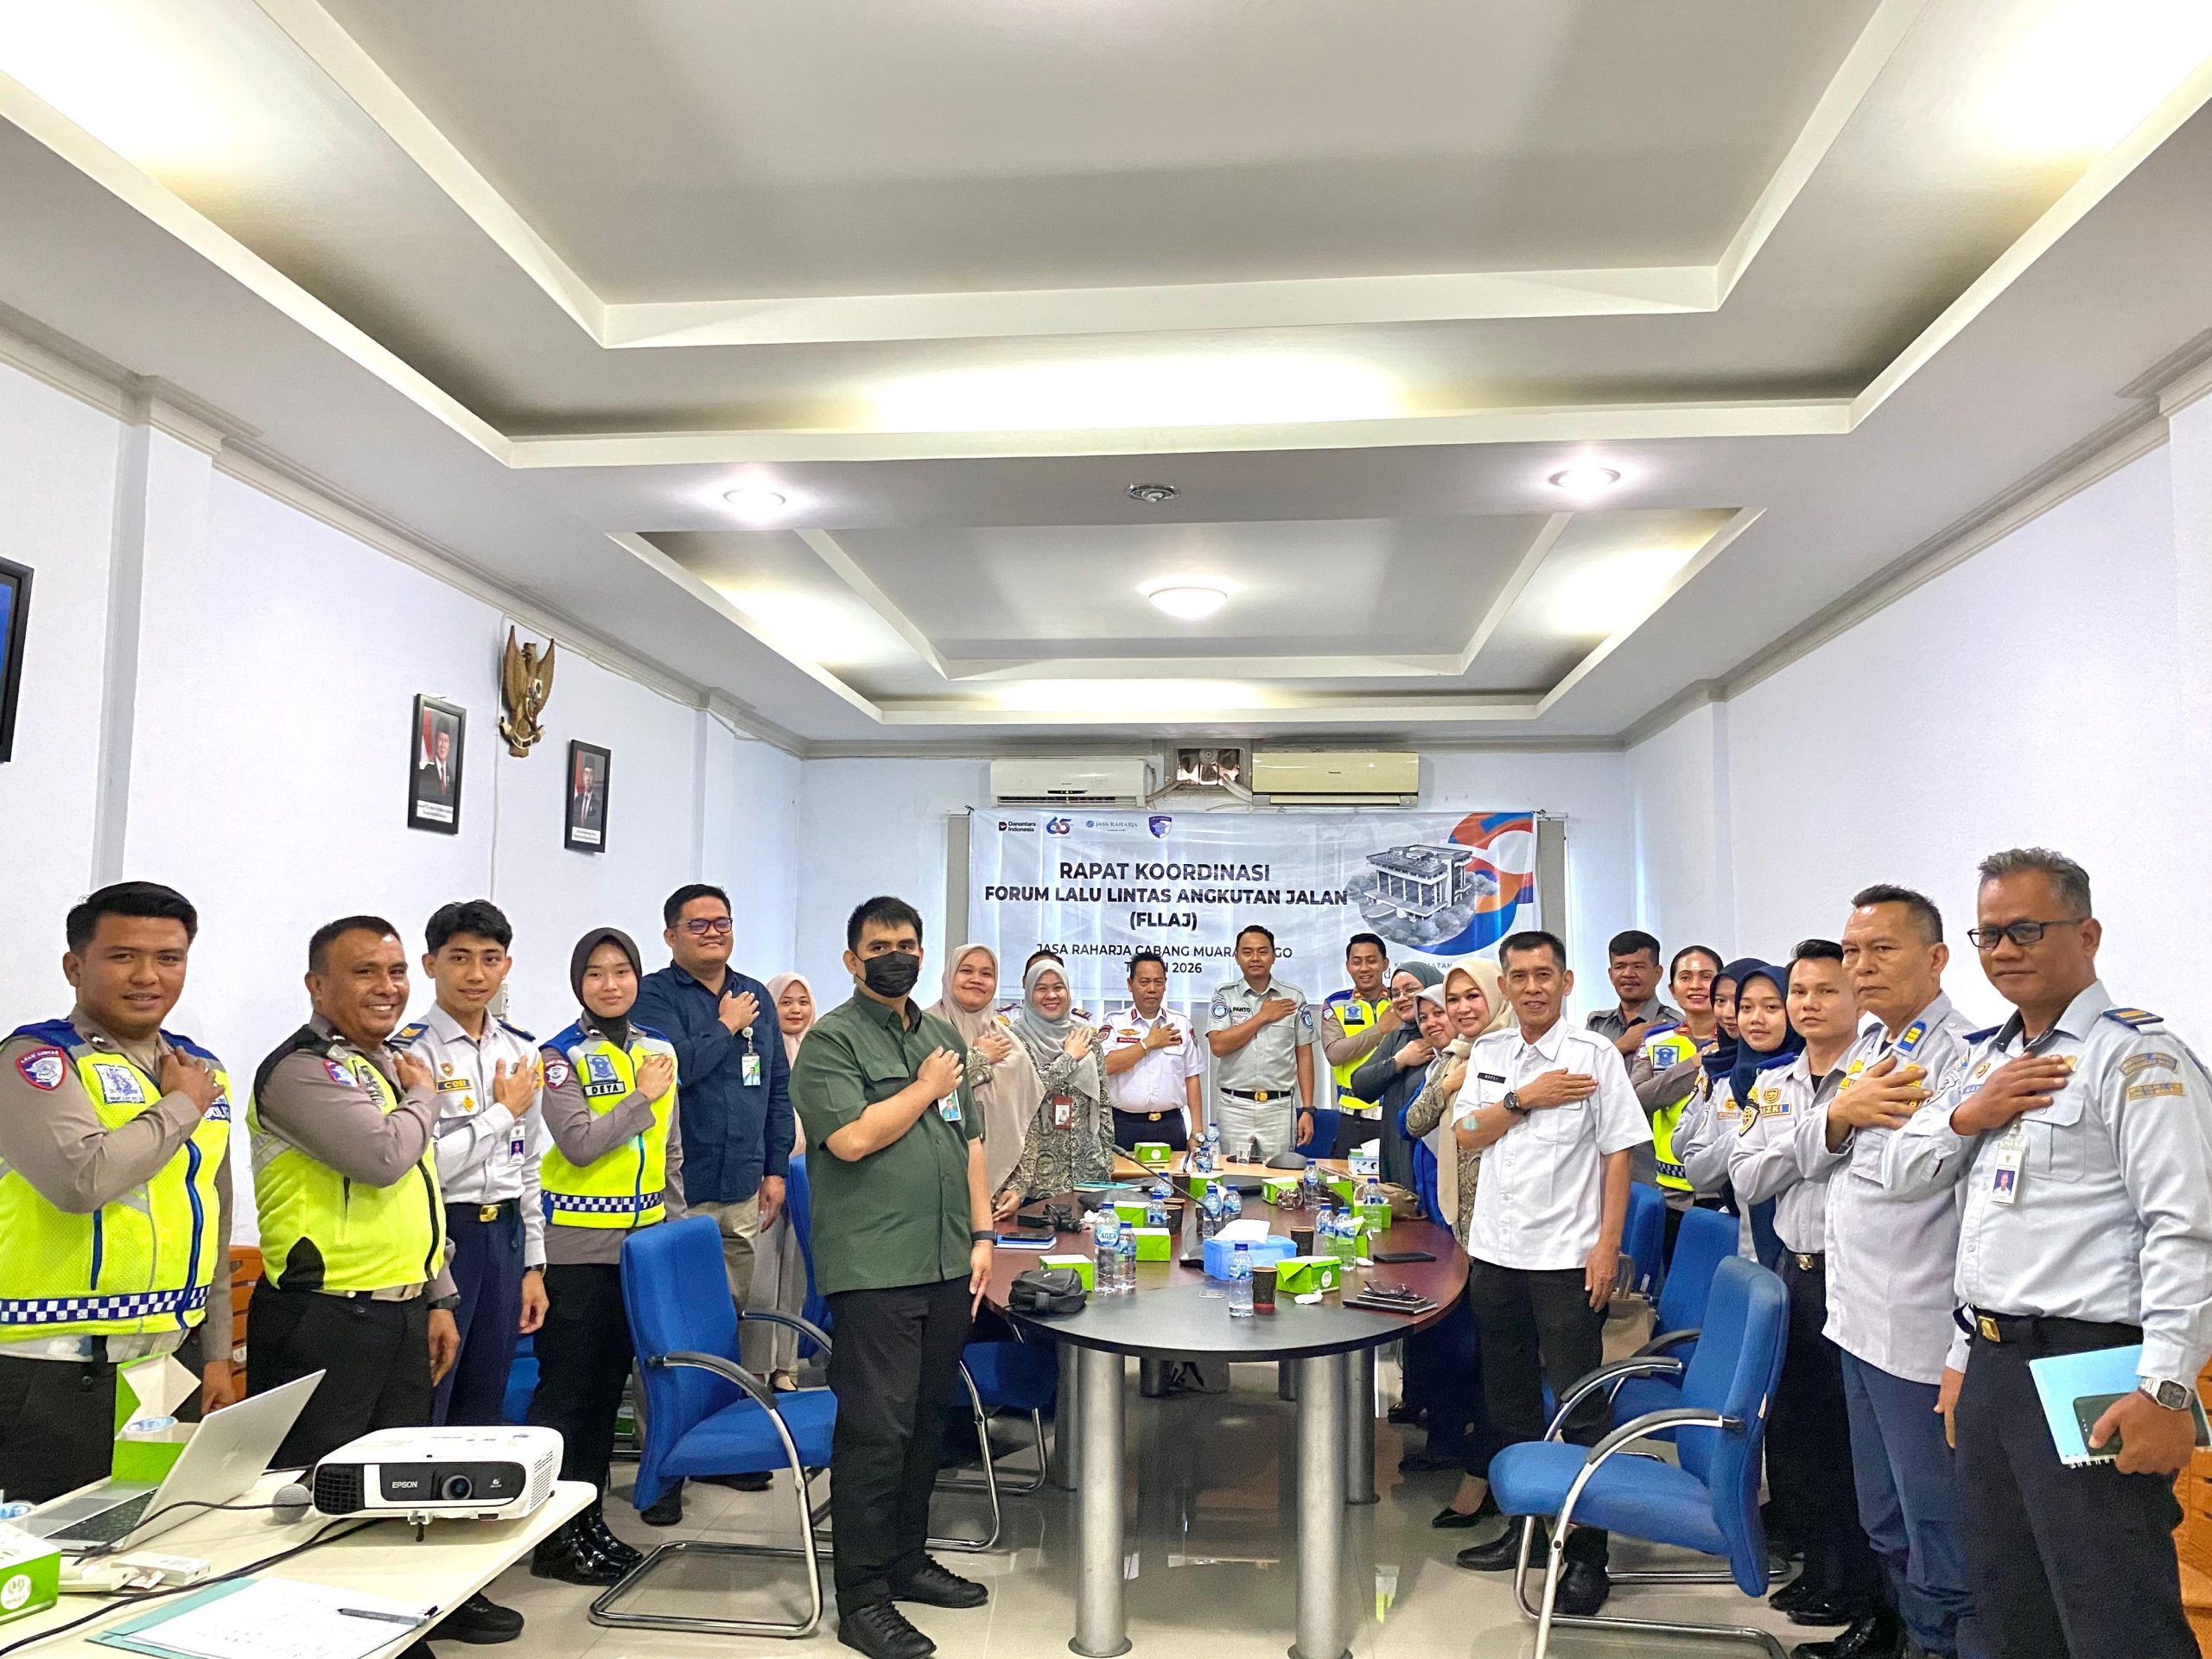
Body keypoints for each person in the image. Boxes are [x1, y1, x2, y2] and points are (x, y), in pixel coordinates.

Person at [1886, 848, 2212, 1659]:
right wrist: (1966, 1115)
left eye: (2027, 930)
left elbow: (2186, 1229)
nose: (2004, 950)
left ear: (2087, 934)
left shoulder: (2136, 1058)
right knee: (2009, 1604)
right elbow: (1912, 1179)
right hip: (1994, 1363)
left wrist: (2167, 1387)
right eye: (1989, 934)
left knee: (2113, 1613)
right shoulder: (1990, 1059)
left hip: (2092, 1365)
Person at [791, 896, 995, 1659]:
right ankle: (863, 1598)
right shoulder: (831, 1041)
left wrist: (983, 1234)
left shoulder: (941, 1037)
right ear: (852, 960)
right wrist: (923, 1087)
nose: (895, 957)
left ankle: (908, 1561)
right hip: (876, 1266)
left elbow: (969, 1143)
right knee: (876, 1434)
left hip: (947, 1260)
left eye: (906, 944)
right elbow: (849, 1140)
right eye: (879, 947)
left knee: (925, 1423)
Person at [1791, 887, 1983, 1659]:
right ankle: (1898, 1635)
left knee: (1936, 1528)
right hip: (1855, 1321)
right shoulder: (1871, 1048)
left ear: (1935, 958)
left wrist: (1963, 1349)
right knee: (1883, 1518)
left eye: (1882, 949)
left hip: (1919, 1337)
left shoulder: (1967, 1058)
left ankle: (1940, 1645)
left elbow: (1968, 1214)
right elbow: (1808, 1158)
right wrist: (1841, 1113)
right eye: (1852, 951)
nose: (1861, 966)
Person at [0, 883, 235, 1505]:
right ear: (75, 967)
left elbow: (212, 1216)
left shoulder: (201, 1070)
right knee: (46, 1550)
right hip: (48, 1371)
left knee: (146, 1537)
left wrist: (216, 1354)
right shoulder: (38, 1060)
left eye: (169, 958)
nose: (148, 976)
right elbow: (81, 1181)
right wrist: (180, 1106)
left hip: (165, 1365)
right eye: (123, 956)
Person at [1449, 931, 1650, 1615]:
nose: (1532, 987)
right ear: (1506, 986)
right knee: (1507, 1403)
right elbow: (1467, 1133)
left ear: (1565, 983)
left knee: (1579, 1406)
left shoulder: (1593, 1056)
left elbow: (1619, 1154)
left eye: (1545, 975)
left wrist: (1608, 1245)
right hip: (1495, 1254)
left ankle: (1590, 1554)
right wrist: (1524, 1098)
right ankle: (1526, 1530)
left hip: (1566, 1259)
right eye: (1520, 977)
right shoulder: (1489, 1053)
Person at [246, 918, 458, 1471]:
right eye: (366, 972)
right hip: (326, 1316)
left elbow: (420, 1190)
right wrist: (424, 1095)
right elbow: (382, 1159)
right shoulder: (300, 1069)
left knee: (395, 1486)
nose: (387, 987)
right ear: (317, 986)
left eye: (397, 972)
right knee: (313, 1488)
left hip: (401, 1311)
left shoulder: (383, 1063)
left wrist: (437, 1296)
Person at [1729, 948, 1885, 1637]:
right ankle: (1824, 1570)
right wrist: (1826, 1130)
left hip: (1854, 1274)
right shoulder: (1773, 1084)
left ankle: (1861, 1587)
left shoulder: (1879, 1076)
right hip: (1795, 1270)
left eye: (1827, 990)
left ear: (1858, 999)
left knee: (1852, 1444)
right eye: (1800, 991)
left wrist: (1792, 1150)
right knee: (1798, 1434)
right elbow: (1746, 1178)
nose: (1808, 1004)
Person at [527, 928, 686, 1585]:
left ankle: (589, 1523)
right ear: (579, 984)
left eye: (622, 971)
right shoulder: (559, 1057)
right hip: (575, 1252)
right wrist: (640, 1096)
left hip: (639, 1250)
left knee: (604, 1397)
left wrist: (673, 1232)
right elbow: (580, 1143)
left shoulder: (658, 1049)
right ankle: (552, 1539)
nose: (610, 984)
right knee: (567, 1398)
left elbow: (669, 1150)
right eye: (595, 973)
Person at [391, 903, 548, 1433]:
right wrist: (502, 1113)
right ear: (430, 964)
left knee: (486, 1396)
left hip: (505, 1235)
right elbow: (422, 1165)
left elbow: (529, 1164)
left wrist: (534, 1264)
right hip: (444, 1234)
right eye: (459, 958)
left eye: (490, 958)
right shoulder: (409, 1054)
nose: (476, 973)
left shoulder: (522, 1050)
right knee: (432, 1391)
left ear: (507, 966)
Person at [633, 885, 791, 1348]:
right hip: (681, 1187)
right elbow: (674, 1071)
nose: (712, 933)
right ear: (670, 936)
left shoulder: (754, 994)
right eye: (697, 925)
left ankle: (720, 1391)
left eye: (722, 923)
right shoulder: (652, 996)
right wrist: (726, 1026)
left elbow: (776, 1087)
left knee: (728, 1313)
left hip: (743, 1184)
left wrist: (776, 1170)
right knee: (678, 1317)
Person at [1402, 961, 1512, 1522]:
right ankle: (1458, 1449)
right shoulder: (1455, 1059)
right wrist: (1447, 1082)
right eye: (1453, 1000)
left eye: (1473, 997)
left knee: (1484, 1352)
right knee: (1452, 1341)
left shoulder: (1516, 1056)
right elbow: (1416, 1122)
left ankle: (1489, 1476)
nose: (1460, 1009)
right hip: (1461, 1224)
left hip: (1507, 1231)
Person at [991, 960, 1113, 1215]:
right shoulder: (1013, 1040)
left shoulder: (1086, 1037)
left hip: (1088, 1171)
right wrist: (1068, 1059)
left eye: (1058, 987)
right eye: (1041, 988)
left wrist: (1107, 1160)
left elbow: (1102, 1103)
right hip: (1036, 1176)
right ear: (1028, 993)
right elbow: (1024, 1096)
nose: (1051, 995)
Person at [1628, 944, 1726, 1249]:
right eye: (1686, 977)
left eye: (1706, 976)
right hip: (1671, 1188)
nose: (1696, 985)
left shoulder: (1741, 1040)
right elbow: (1637, 1099)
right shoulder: (1656, 1040)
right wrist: (1694, 1065)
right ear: (1672, 989)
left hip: (1723, 1189)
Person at [752, 973, 820, 1390]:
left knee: (796, 1279)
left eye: (803, 1001)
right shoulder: (758, 1051)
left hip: (810, 1179)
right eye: (786, 1002)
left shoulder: (821, 1052)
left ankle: (785, 1366)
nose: (796, 1010)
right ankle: (756, 1367)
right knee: (762, 1277)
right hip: (766, 1178)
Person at [1205, 925, 1319, 1160]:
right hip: (1234, 1106)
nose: (1255, 958)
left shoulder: (1293, 997)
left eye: (1262, 951)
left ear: (1274, 956)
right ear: (1236, 957)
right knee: (1233, 1174)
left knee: (1279, 1176)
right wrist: (1263, 1017)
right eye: (1247, 952)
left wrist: (1308, 1109)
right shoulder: (1224, 995)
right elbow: (1218, 1046)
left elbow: (1304, 1054)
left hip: (1279, 1107)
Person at [925, 944, 1031, 1198]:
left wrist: (1018, 1185)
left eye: (986, 974)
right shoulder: (922, 1029)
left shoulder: (1010, 1042)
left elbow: (1029, 1118)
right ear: (950, 975)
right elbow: (924, 1093)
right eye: (966, 971)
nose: (976, 979)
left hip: (999, 1189)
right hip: (932, 1177)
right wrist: (979, 1057)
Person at [1350, 961, 1446, 1193]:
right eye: (1395, 993)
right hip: (1395, 1151)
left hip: (1432, 1156)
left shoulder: (1448, 1037)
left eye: (1410, 990)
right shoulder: (1397, 1038)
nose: (1402, 998)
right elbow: (1360, 1085)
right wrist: (1398, 1061)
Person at [1099, 951, 1205, 1152]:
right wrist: (1148, 1043)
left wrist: (1197, 1132)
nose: (1152, 989)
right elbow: (1105, 1065)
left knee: (1174, 1172)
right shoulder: (1114, 1022)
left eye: (1158, 982)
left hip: (1170, 1124)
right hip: (1124, 1125)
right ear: (1130, 984)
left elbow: (1192, 1077)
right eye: (1144, 982)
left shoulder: (1181, 1024)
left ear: (1165, 985)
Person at [1321, 932, 1397, 1154]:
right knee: (1346, 1176)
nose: (1364, 968)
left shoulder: (1401, 1002)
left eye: (1372, 961)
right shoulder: (1336, 1004)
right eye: (1357, 962)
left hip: (1396, 1113)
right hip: (1354, 1119)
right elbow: (1335, 1053)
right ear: (1348, 966)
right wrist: (1380, 1029)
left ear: (1385, 964)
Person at [1586, 929, 1683, 1056]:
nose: (1628, 974)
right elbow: (1582, 1067)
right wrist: (1621, 1046)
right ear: (1611, 975)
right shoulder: (1597, 1025)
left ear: (1657, 973)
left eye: (1638, 966)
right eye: (1620, 967)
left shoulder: (1675, 1025)